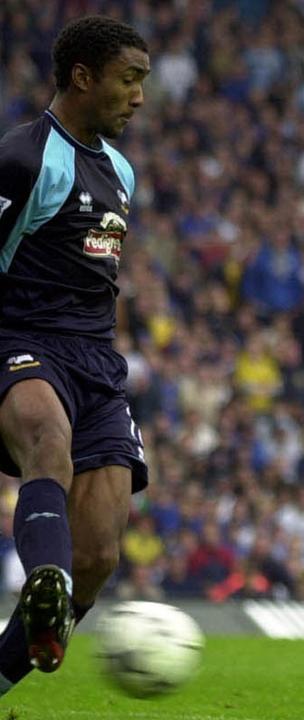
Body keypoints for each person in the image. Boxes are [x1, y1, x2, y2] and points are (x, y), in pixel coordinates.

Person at [0, 16, 150, 691]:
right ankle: (46, 577)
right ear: (83, 77)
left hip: (96, 362)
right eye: (130, 79)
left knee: (98, 551)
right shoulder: (23, 160)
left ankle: (10, 665)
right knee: (45, 437)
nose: (140, 96)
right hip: (20, 342)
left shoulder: (121, 172)